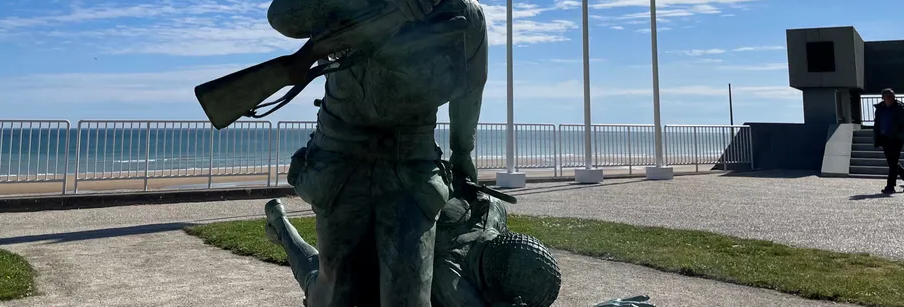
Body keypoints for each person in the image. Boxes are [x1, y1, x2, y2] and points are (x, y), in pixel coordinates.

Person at [265, 0, 491, 307]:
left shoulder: (466, 12)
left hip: (412, 165)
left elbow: (469, 90)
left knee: (408, 296)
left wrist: (464, 156)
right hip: (340, 159)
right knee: (339, 292)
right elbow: (283, 13)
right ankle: (284, 233)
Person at [263, 194, 654, 307]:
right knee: (321, 283)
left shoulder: (489, 211)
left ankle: (281, 222)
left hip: (382, 211)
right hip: (372, 255)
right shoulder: (453, 279)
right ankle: (281, 227)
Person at [872, 88, 904, 194]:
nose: (890, 98)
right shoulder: (880, 109)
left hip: (896, 139)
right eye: (888, 96)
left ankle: (890, 186)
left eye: (892, 96)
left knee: (893, 162)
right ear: (883, 98)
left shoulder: (899, 109)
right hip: (884, 138)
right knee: (892, 163)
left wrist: (899, 135)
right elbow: (877, 123)